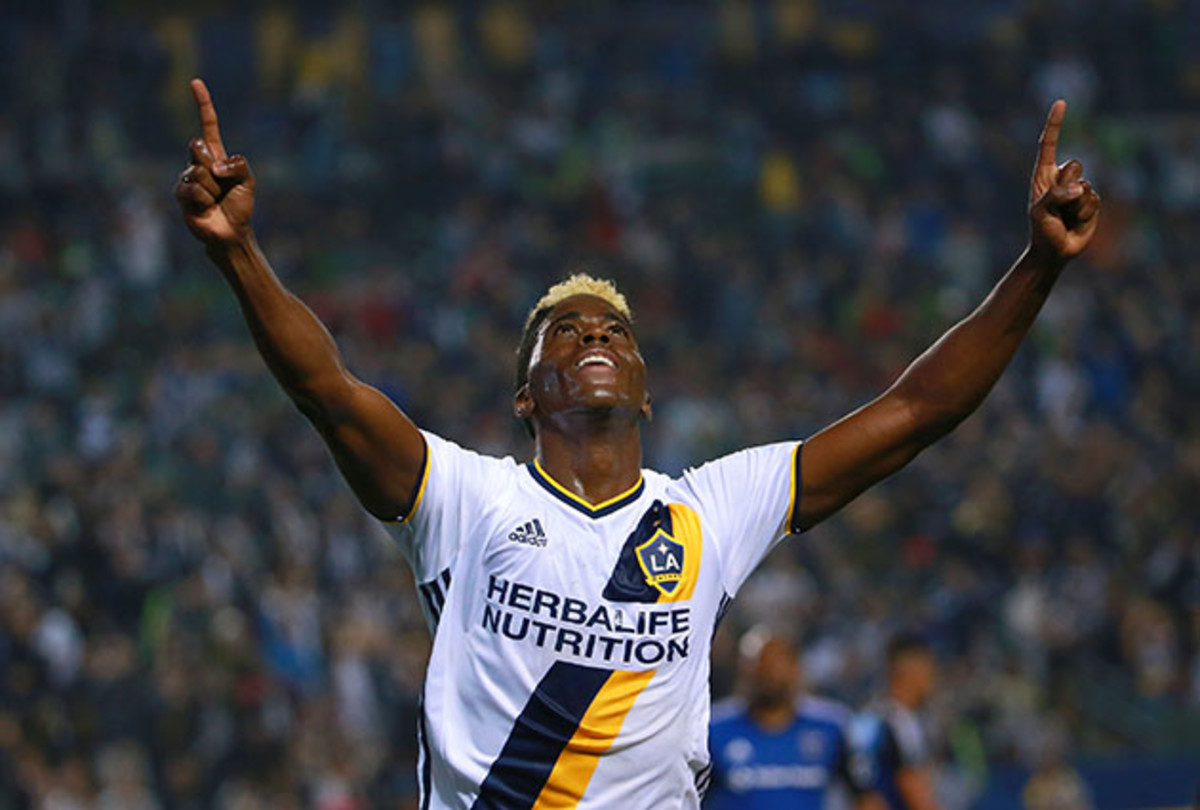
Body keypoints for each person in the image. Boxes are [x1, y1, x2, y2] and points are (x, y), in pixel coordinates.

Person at [173, 76, 1099, 809]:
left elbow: (917, 410)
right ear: (527, 395)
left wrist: (1038, 266)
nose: (595, 335)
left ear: (645, 391)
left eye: (615, 331)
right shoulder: (467, 499)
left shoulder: (708, 512)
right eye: (565, 333)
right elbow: (328, 394)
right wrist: (238, 254)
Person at [704, 627, 880, 810]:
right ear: (744, 671)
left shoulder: (831, 726)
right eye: (761, 665)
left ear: (795, 668)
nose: (770, 674)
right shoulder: (713, 729)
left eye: (777, 664)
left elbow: (866, 796)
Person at [851, 636, 942, 810]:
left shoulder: (866, 716)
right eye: (929, 668)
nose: (933, 677)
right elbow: (914, 790)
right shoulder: (901, 722)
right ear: (912, 671)